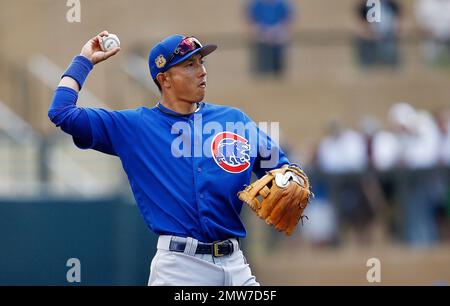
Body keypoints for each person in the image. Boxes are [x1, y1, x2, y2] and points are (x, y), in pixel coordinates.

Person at [48, 31, 293, 285]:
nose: (202, 71)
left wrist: (289, 178)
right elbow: (62, 112)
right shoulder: (136, 127)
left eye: (201, 62)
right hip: (180, 268)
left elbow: (281, 168)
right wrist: (84, 60)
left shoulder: (234, 120)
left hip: (236, 265)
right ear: (164, 79)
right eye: (189, 65)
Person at [246, 0, 294, 77]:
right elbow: (250, 21)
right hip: (261, 40)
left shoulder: (282, 4)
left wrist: (280, 33)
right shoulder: (256, 4)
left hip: (278, 39)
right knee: (263, 69)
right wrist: (260, 33)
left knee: (278, 68)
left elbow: (288, 20)